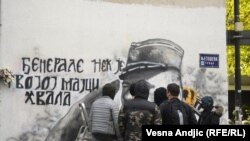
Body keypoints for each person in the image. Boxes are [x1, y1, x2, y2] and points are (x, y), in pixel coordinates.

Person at [46, 38, 184, 140]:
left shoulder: (122, 106)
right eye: (126, 86)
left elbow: (120, 125)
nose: (128, 95)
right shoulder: (155, 108)